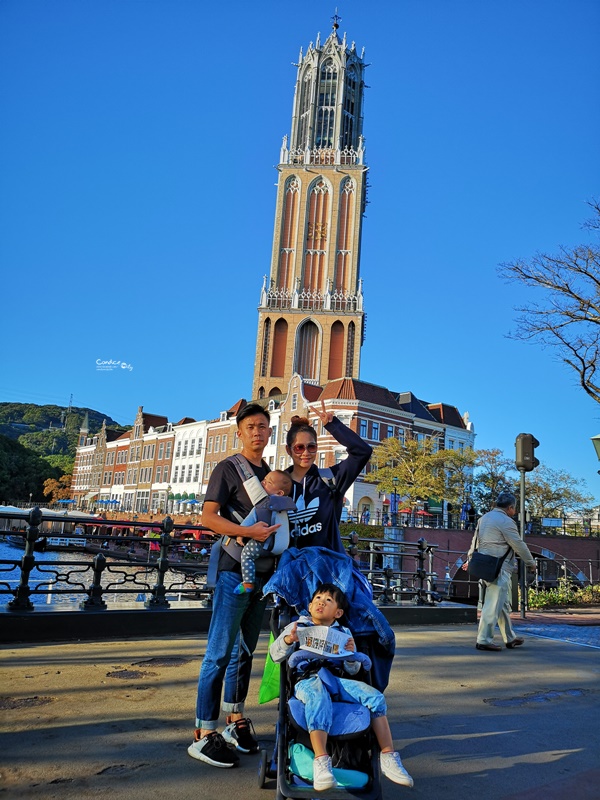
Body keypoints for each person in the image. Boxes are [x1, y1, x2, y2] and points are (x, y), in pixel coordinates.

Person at [188, 403, 280, 768]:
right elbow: (208, 517)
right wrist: (246, 531)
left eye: (263, 426)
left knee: (244, 650)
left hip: (262, 574)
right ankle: (202, 730)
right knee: (218, 652)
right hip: (232, 571)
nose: (257, 432)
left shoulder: (272, 476)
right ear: (239, 432)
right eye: (251, 426)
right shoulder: (228, 468)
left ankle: (233, 716)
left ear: (269, 432)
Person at [270, 583, 414, 791]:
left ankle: (388, 755)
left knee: (375, 698)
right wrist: (287, 640)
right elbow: (276, 655)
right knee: (318, 696)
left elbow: (353, 670)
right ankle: (321, 762)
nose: (321, 603)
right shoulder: (297, 627)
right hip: (308, 679)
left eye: (328, 601)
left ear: (338, 613)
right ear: (309, 606)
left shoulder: (343, 632)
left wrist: (351, 655)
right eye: (318, 599)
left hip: (337, 680)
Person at [285, 401, 372, 553]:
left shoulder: (330, 479)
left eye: (311, 447)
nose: (306, 453)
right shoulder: (278, 483)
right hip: (290, 569)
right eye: (299, 447)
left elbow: (362, 452)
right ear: (289, 450)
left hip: (325, 568)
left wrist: (333, 426)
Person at [462, 491, 536, 651]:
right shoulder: (506, 522)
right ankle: (483, 640)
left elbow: (475, 542)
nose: (514, 512)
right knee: (492, 604)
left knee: (501, 604)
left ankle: (510, 638)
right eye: (514, 509)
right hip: (499, 568)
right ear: (510, 508)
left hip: (484, 566)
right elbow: (518, 544)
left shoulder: (484, 518)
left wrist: (469, 559)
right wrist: (531, 562)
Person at [234, 469, 294, 595]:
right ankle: (278, 587)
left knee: (246, 555)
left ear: (279, 492)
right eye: (264, 480)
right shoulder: (285, 504)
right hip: (281, 546)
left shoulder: (264, 503)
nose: (262, 483)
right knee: (280, 566)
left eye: (268, 482)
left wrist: (241, 534)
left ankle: (248, 583)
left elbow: (250, 519)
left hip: (265, 543)